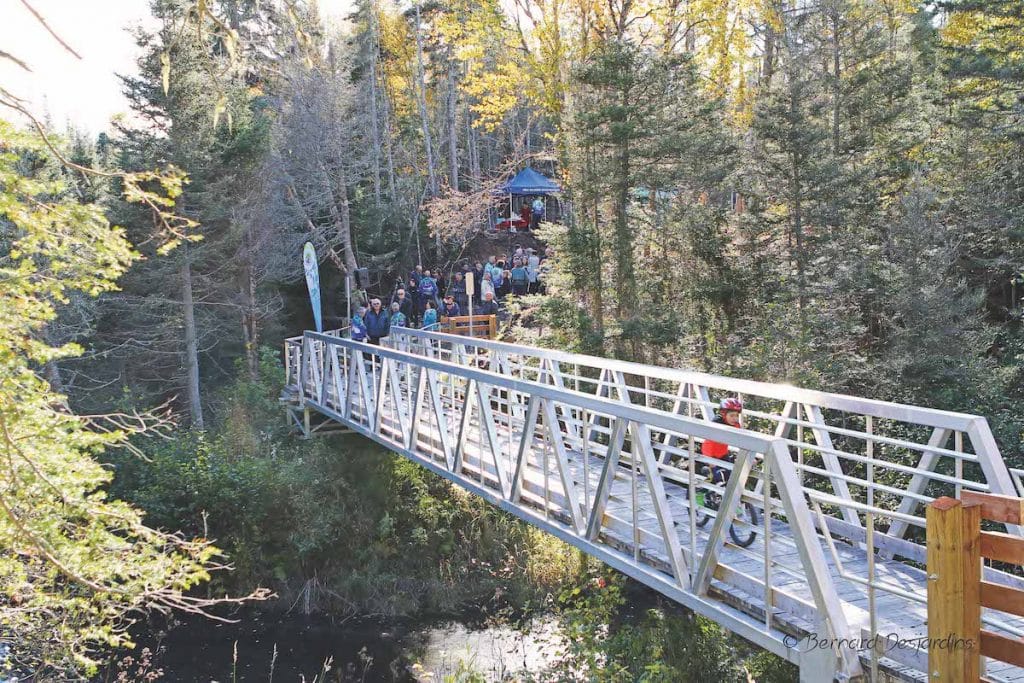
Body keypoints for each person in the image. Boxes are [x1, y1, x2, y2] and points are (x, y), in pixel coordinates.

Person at [700, 397, 744, 491]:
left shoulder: (736, 425)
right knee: (714, 477)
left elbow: (742, 440)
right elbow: (709, 443)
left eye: (737, 415)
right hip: (710, 454)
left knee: (730, 477)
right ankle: (699, 495)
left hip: (723, 454)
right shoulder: (717, 424)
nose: (735, 418)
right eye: (732, 416)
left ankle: (723, 500)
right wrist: (709, 460)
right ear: (723, 414)